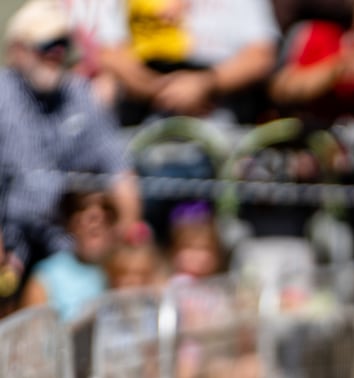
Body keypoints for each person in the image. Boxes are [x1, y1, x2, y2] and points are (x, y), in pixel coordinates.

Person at [0, 0, 143, 273]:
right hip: (13, 238)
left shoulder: (80, 94)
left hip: (69, 241)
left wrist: (128, 232)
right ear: (17, 50)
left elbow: (118, 167)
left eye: (62, 44)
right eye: (45, 45)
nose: (55, 53)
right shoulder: (2, 94)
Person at [93, 0, 280, 125]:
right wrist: (160, 90)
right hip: (144, 117)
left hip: (218, 118)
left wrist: (204, 84)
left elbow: (262, 56)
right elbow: (108, 53)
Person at [19, 189, 115, 320]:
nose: (96, 218)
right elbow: (33, 332)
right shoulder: (45, 276)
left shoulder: (119, 270)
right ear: (70, 223)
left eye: (106, 210)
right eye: (82, 208)